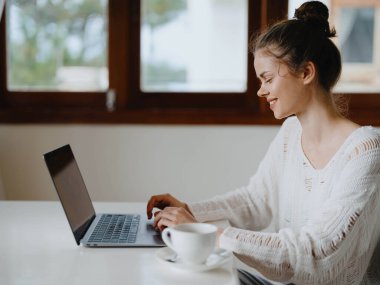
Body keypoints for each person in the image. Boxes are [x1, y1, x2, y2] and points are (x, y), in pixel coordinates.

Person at [146, 1, 380, 284]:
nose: (261, 90)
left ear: (306, 72)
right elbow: (256, 201)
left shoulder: (364, 150)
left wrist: (207, 233)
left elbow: (317, 252)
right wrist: (190, 212)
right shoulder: (291, 132)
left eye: (267, 79)